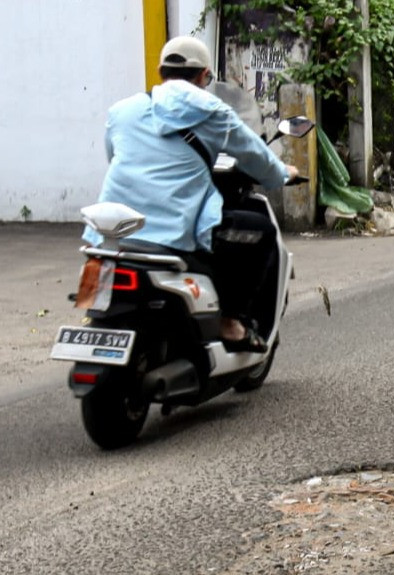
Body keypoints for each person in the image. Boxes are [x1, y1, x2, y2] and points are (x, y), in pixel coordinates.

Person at [82, 36, 300, 353]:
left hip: (111, 232)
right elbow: (255, 157)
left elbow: (113, 154)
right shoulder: (211, 110)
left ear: (161, 73)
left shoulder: (122, 111)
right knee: (262, 233)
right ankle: (230, 322)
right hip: (168, 232)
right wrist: (283, 172)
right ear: (205, 77)